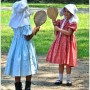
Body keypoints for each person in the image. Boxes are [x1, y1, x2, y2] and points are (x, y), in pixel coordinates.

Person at [4, 0, 40, 90]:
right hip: (25, 47)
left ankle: (18, 87)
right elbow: (27, 37)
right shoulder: (25, 22)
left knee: (17, 65)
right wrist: (35, 30)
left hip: (16, 46)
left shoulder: (15, 20)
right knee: (28, 66)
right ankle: (27, 87)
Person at [46, 4, 79, 86]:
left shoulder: (73, 22)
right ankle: (59, 79)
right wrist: (55, 25)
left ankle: (68, 79)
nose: (66, 13)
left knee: (68, 62)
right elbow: (56, 32)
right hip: (60, 43)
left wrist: (58, 29)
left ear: (72, 13)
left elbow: (68, 33)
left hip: (68, 44)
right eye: (65, 11)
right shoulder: (61, 21)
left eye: (69, 12)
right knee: (61, 61)